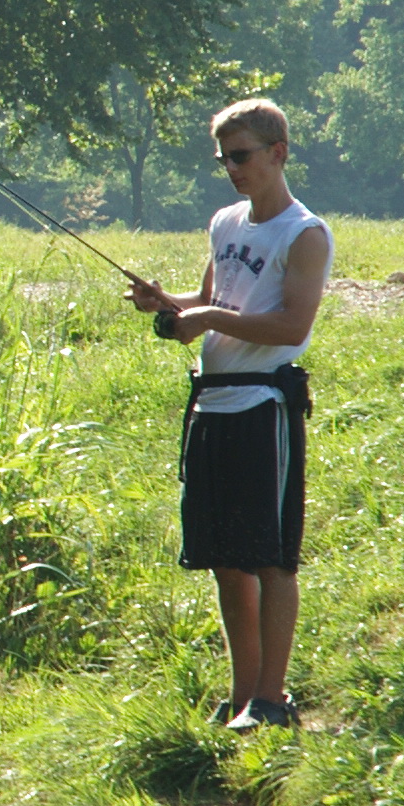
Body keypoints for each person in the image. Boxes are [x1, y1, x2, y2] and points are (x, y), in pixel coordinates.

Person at [124, 97, 328, 730]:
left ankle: (273, 699)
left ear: (278, 153)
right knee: (227, 561)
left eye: (240, 157)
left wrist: (206, 319)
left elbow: (292, 322)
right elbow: (213, 298)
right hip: (212, 407)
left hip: (264, 408)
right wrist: (167, 303)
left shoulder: (305, 234)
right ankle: (243, 700)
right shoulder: (223, 223)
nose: (231, 169)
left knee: (271, 559)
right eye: (223, 159)